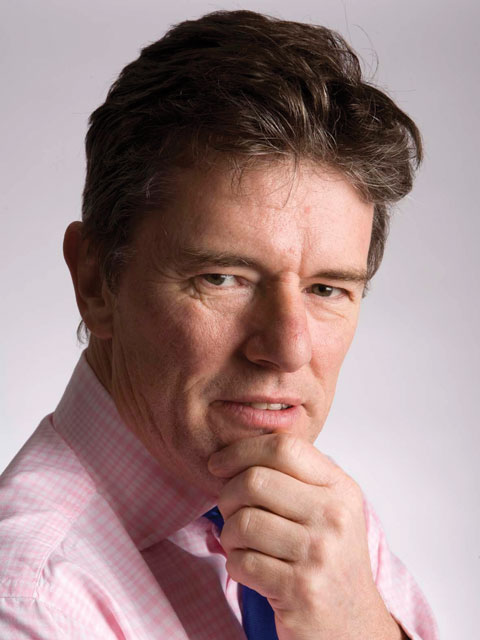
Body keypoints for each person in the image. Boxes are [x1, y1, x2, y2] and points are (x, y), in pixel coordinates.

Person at [0, 9, 439, 640]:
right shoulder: (31, 602)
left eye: (326, 289)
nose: (288, 349)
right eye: (223, 278)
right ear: (96, 282)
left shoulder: (329, 534)